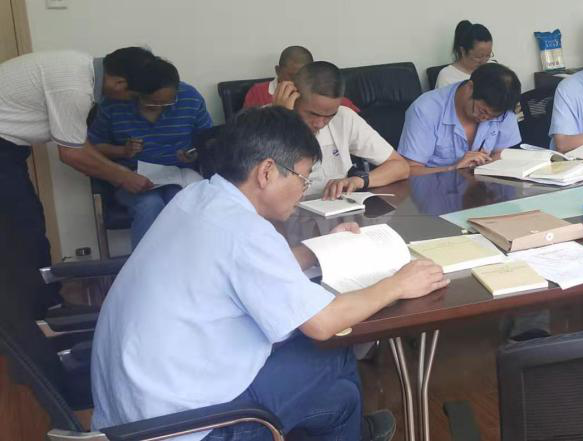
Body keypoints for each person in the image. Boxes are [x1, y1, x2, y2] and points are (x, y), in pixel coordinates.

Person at [90, 107, 448, 441]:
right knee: (332, 355)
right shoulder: (243, 231)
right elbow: (322, 323)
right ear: (266, 171)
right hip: (189, 426)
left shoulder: (199, 197)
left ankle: (350, 424)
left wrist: (317, 250)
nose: (303, 190)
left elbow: (244, 269)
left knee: (339, 394)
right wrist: (397, 285)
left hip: (134, 412)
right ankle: (350, 426)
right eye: (303, 179)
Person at [0, 48, 156, 315]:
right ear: (119, 83)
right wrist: (124, 177)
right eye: (131, 96)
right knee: (23, 229)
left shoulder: (79, 68)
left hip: (9, 149)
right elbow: (71, 154)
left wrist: (120, 173)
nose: (128, 102)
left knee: (25, 225)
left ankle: (43, 306)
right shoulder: (76, 89)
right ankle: (40, 313)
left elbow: (77, 143)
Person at [89, 57, 213, 245]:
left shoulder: (190, 98)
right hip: (133, 178)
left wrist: (193, 153)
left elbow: (208, 139)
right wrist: (123, 151)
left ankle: (184, 261)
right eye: (152, 104)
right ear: (135, 94)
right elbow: (93, 146)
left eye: (167, 104)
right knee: (149, 204)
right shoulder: (114, 104)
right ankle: (146, 263)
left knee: (181, 201)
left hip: (178, 175)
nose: (160, 109)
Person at [286, 61, 409, 199]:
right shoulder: (269, 123)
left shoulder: (343, 117)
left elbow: (401, 166)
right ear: (293, 98)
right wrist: (282, 119)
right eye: (313, 114)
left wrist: (359, 181)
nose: (320, 124)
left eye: (329, 115)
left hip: (333, 207)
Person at [399, 63, 522, 174]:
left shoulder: (502, 108)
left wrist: (487, 164)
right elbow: (410, 170)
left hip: (484, 186)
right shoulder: (425, 110)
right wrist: (453, 169)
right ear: (470, 87)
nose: (486, 119)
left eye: (494, 117)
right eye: (482, 111)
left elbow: (505, 154)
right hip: (436, 187)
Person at [242, 45, 358, 112]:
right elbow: (246, 130)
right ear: (278, 71)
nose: (299, 81)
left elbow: (355, 115)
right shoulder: (259, 92)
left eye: (305, 76)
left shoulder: (320, 91)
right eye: (293, 76)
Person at [435, 20, 494, 89]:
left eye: (488, 55)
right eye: (479, 57)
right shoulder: (447, 77)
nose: (484, 62)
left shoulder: (492, 69)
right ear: (463, 51)